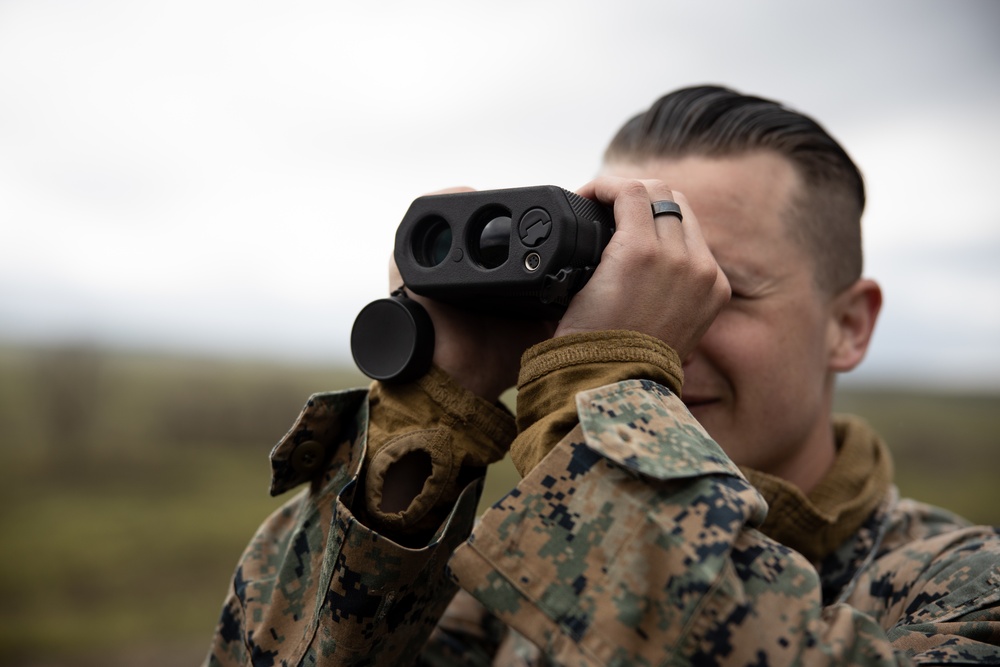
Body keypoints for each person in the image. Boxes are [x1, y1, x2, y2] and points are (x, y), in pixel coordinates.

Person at [205, 86, 1000, 666]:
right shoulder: (492, 587)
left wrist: (608, 379)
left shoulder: (963, 588)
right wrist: (433, 417)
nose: (667, 333)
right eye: (629, 279)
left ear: (848, 324)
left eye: (715, 287)